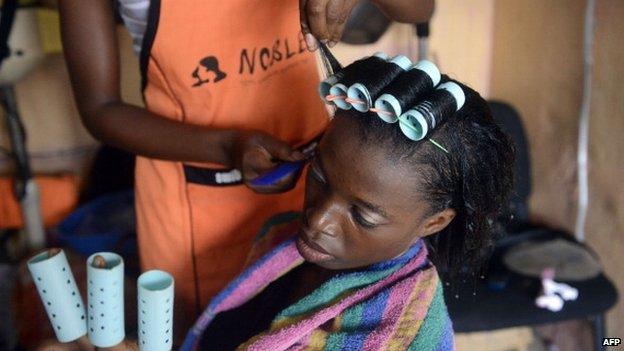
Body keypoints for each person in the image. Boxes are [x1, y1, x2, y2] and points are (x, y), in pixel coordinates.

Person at [37, 53, 514, 350]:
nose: (318, 219)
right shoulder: (279, 238)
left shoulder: (400, 333)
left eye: (363, 215)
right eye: (321, 177)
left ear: (435, 221)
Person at [56, 0, 435, 334]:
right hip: (196, 204)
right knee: (211, 333)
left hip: (312, 182)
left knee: (304, 323)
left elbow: (422, 8)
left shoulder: (330, 212)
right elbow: (99, 110)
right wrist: (226, 146)